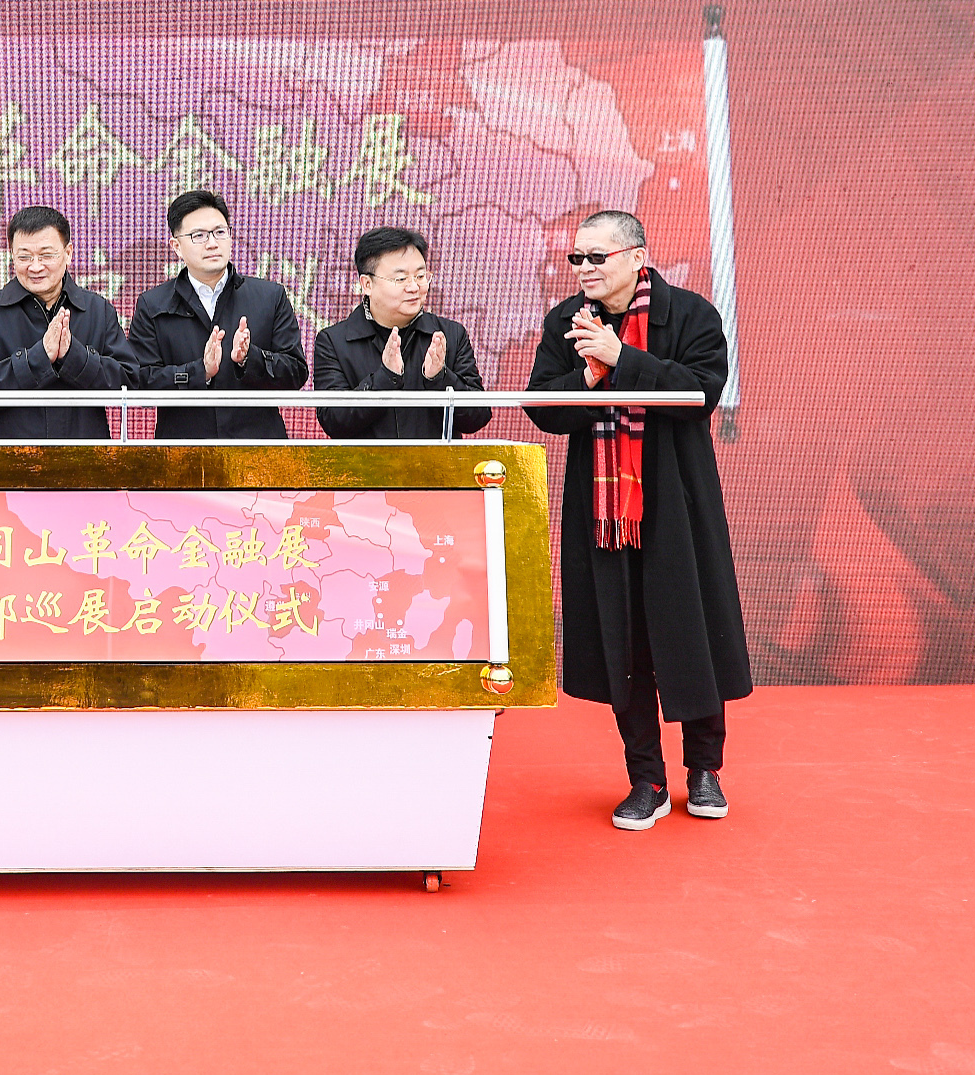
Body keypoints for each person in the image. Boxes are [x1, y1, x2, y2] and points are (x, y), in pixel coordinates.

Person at [523, 209, 750, 832]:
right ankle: (645, 778)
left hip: (676, 501)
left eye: (596, 257)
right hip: (603, 511)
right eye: (577, 258)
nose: (584, 268)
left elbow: (701, 394)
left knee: (692, 631)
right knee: (622, 639)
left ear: (636, 257)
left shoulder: (691, 314)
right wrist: (588, 376)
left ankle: (705, 770)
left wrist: (622, 358)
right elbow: (543, 408)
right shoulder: (566, 322)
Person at [125, 188, 307, 440]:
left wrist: (249, 359)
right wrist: (200, 371)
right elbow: (140, 382)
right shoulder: (152, 305)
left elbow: (296, 373)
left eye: (220, 232)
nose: (212, 243)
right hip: (183, 451)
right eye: (198, 235)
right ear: (176, 246)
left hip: (257, 451)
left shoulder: (270, 296)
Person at [0, 204, 130, 440]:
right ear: (12, 256)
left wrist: (74, 356)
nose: (35, 267)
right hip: (8, 457)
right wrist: (38, 358)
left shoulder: (98, 310)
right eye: (24, 257)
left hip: (84, 457)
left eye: (46, 255)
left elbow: (127, 382)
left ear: (68, 253)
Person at [312, 226, 490, 440]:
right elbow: (333, 421)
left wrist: (440, 379)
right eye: (401, 279)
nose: (414, 287)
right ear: (367, 284)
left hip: (435, 462)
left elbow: (478, 416)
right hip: (365, 462)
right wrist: (385, 378)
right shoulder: (333, 342)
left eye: (420, 276)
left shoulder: (450, 334)